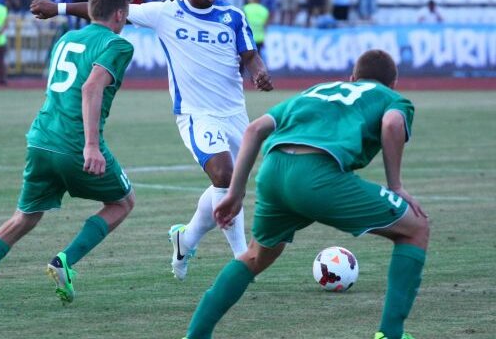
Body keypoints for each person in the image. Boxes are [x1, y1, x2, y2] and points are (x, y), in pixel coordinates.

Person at [30, 0, 273, 282]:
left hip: (234, 115)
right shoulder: (165, 13)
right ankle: (241, 259)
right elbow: (105, 10)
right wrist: (57, 8)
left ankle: (185, 239)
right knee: (224, 176)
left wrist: (259, 72)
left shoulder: (233, 17)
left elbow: (250, 56)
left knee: (231, 186)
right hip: (196, 114)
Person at [182, 49, 430, 339]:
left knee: (255, 255)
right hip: (318, 174)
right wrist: (396, 186)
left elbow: (254, 129)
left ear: (352, 78)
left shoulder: (317, 91)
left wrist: (236, 193)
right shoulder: (391, 98)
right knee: (416, 229)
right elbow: (392, 124)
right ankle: (391, 334)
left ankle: (195, 335)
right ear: (393, 83)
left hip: (273, 172)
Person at [0, 0, 136, 307]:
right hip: (74, 142)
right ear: (120, 15)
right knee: (123, 203)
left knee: (24, 217)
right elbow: (91, 88)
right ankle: (65, 260)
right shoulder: (118, 44)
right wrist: (91, 145)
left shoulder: (66, 39)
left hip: (41, 138)